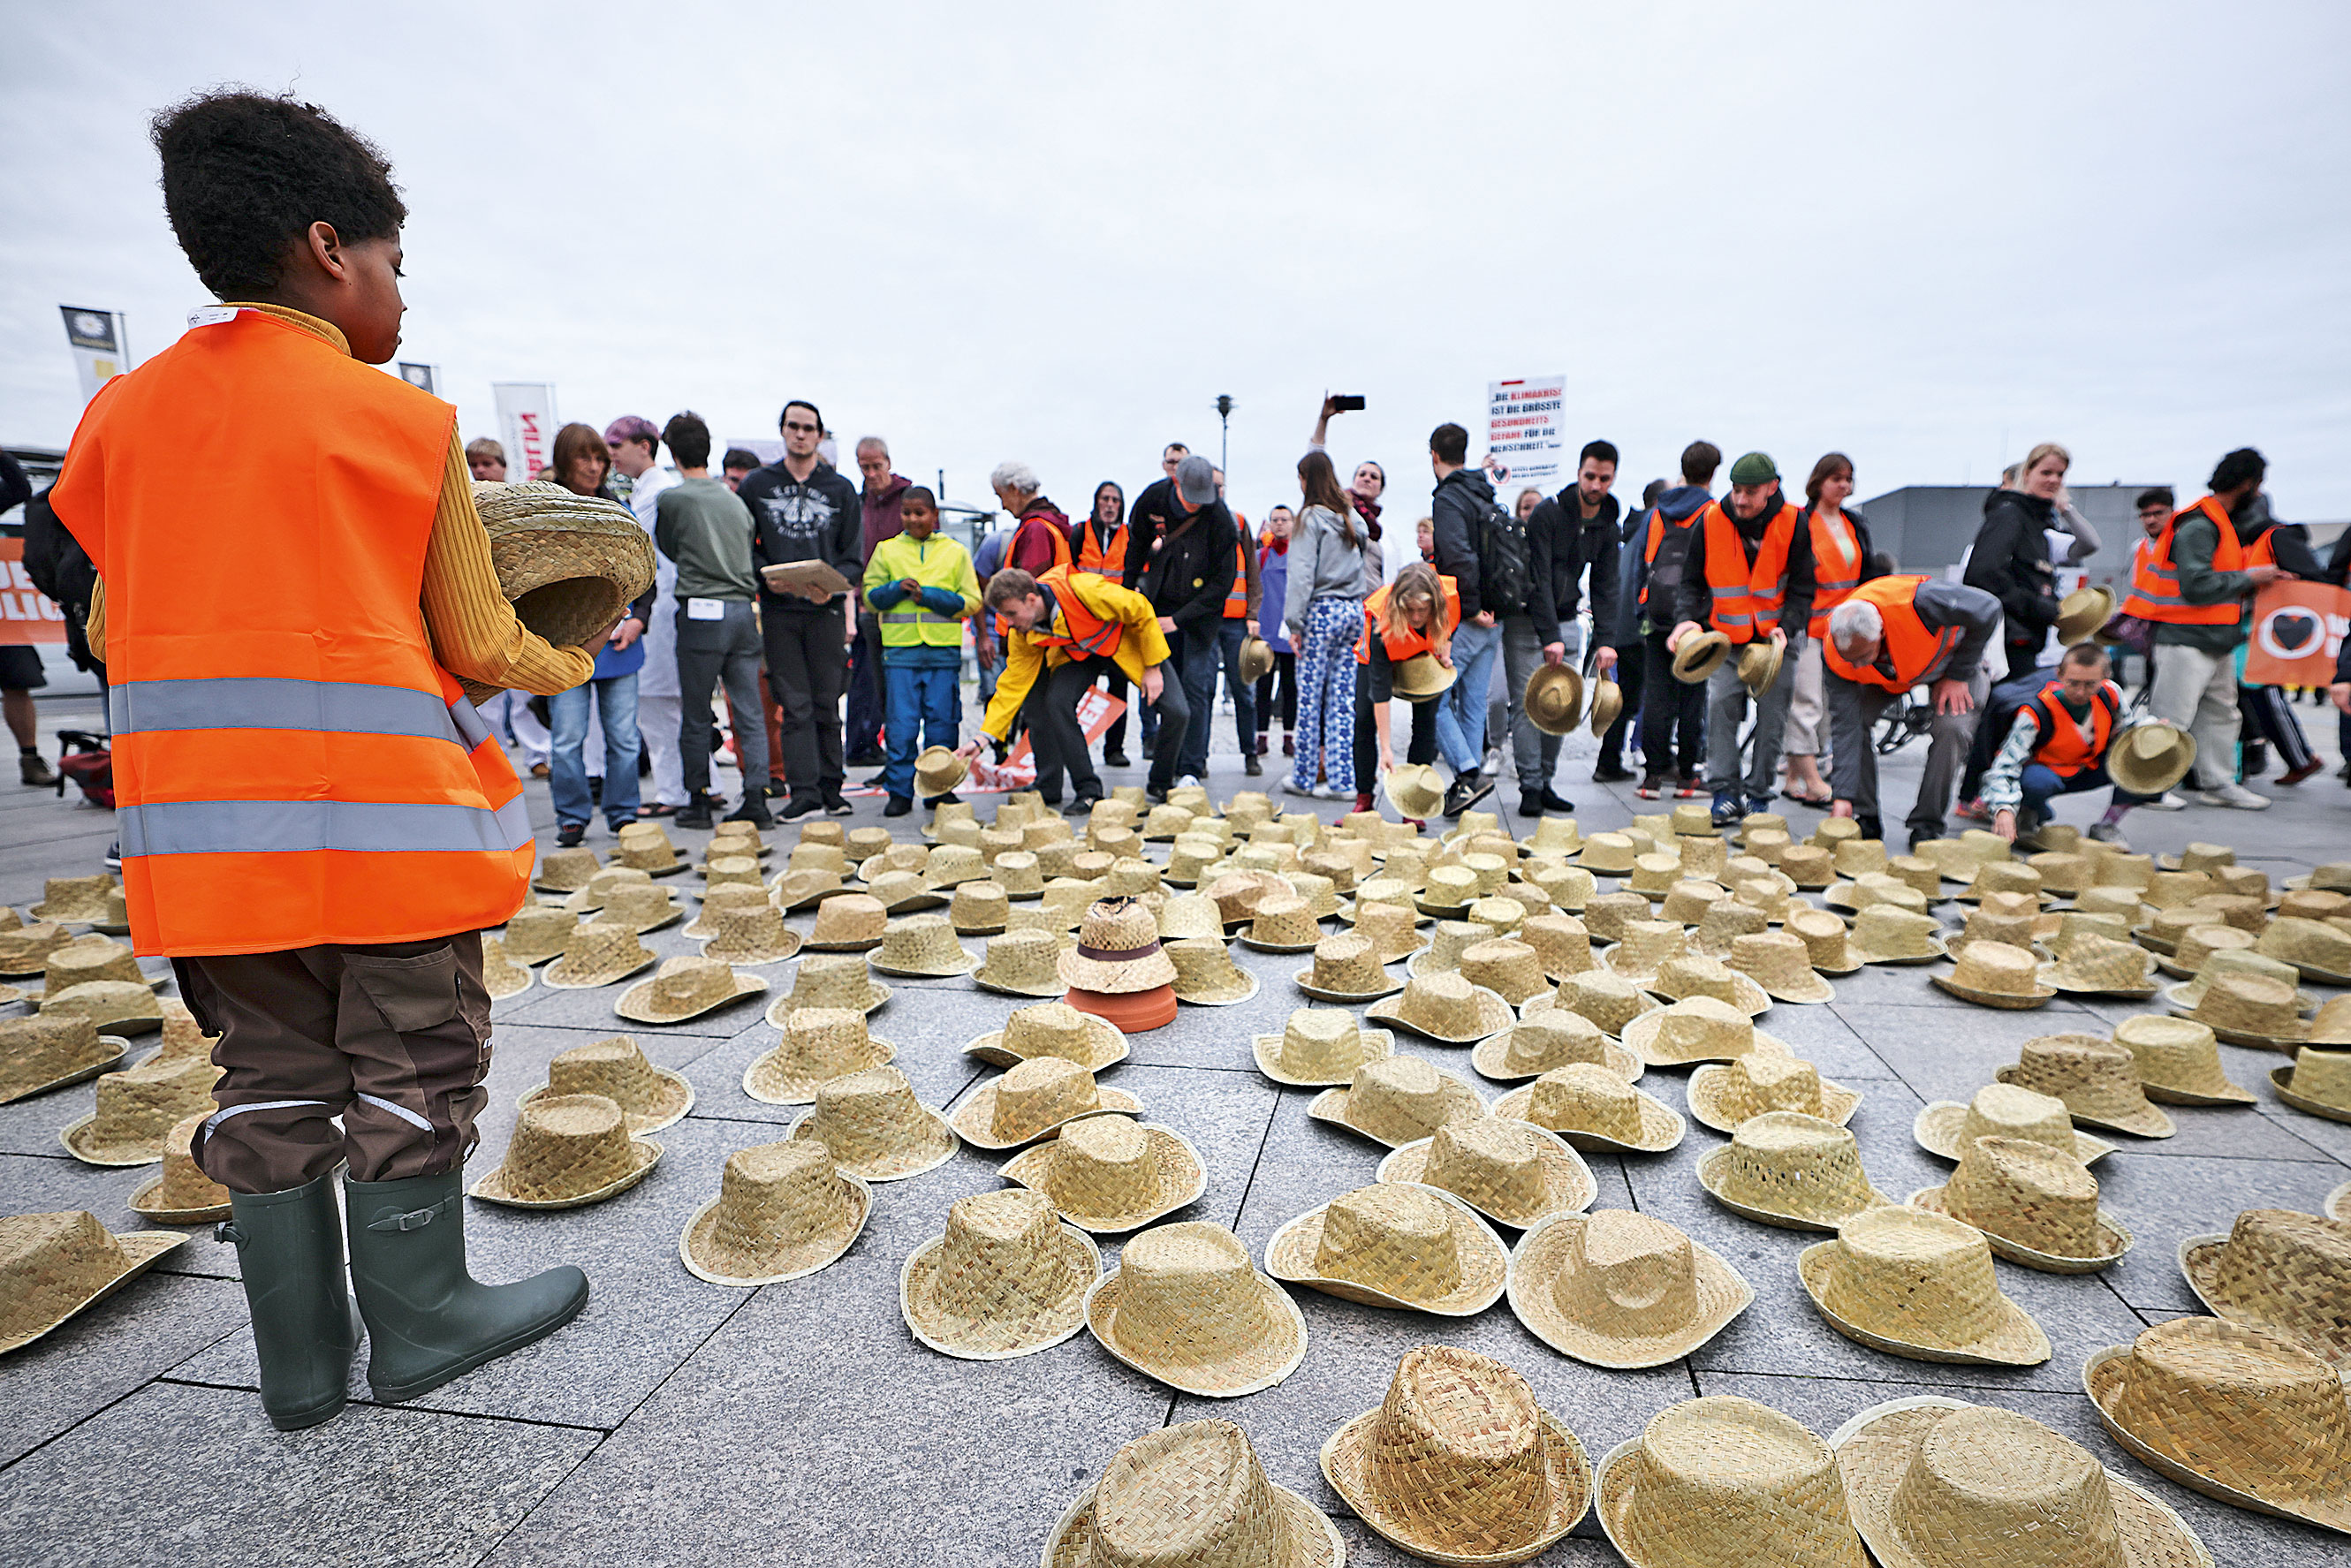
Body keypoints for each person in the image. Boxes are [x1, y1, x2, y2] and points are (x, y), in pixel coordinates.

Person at [55, 89, 595, 1432]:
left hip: (206, 850)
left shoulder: (123, 417)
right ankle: (423, 1317)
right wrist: (574, 654)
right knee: (413, 1061)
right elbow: (477, 638)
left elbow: (113, 625)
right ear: (325, 247)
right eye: (395, 265)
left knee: (271, 1074)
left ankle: (297, 1362)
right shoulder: (399, 426)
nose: (402, 298)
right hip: (385, 835)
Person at [2120, 447, 2287, 811]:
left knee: (2222, 715)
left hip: (2214, 640)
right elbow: (2196, 587)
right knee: (2170, 718)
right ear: (2246, 484)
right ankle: (2149, 786)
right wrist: (2250, 577)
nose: (2259, 494)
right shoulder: (2200, 525)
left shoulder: (2217, 522)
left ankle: (2218, 783)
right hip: (2185, 639)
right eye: (2257, 485)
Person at [964, 564, 1182, 814]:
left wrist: (1153, 668)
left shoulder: (1085, 590)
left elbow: (1140, 608)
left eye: (1011, 613)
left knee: (1177, 711)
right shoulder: (1023, 631)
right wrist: (983, 738)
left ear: (1032, 599)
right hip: (1080, 656)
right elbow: (1012, 684)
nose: (1009, 623)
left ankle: (1160, 782)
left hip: (1127, 645)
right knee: (1056, 703)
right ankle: (1088, 790)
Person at [739, 398, 862, 820]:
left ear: (820, 435)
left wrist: (832, 589)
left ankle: (833, 790)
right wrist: (764, 576)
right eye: (793, 426)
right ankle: (803, 792)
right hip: (778, 611)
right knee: (794, 705)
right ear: (783, 431)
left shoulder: (840, 488)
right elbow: (745, 547)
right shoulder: (758, 484)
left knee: (827, 703)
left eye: (809, 428)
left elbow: (852, 557)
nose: (800, 434)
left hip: (824, 611)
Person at [652, 412, 770, 829]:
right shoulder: (735, 502)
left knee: (698, 710)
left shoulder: (674, 499)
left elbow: (667, 546)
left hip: (702, 611)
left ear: (672, 451)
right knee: (750, 711)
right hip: (742, 612)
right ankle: (757, 795)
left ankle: (698, 798)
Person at [1669, 452, 1800, 827]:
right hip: (1727, 640)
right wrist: (1684, 621)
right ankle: (1725, 793)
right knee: (1721, 708)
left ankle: (1759, 796)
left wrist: (1788, 628)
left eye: (1751, 491)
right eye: (1736, 490)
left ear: (1772, 488)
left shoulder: (1794, 522)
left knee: (1772, 718)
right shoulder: (1711, 520)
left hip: (1777, 641)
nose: (1741, 499)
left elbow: (1804, 585)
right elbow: (1691, 581)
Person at [1821, 574, 2001, 843]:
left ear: (1880, 632)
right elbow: (1845, 726)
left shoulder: (1921, 601)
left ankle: (1927, 824)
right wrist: (1843, 795)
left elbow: (1988, 608)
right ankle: (1865, 815)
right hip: (1891, 675)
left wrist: (1959, 674)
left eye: (1862, 657)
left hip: (1950, 663)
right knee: (1857, 719)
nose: (1856, 667)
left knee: (1953, 730)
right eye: (1851, 659)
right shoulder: (1837, 654)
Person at [541, 423, 650, 845]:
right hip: (564, 643)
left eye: (600, 458)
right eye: (584, 457)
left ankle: (623, 814)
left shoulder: (619, 508)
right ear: (565, 459)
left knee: (624, 738)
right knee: (567, 738)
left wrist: (639, 617)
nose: (594, 466)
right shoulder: (545, 507)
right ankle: (571, 816)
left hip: (618, 640)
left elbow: (646, 574)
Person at [1505, 441, 1623, 818]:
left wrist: (1605, 640)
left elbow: (1606, 586)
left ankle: (1546, 781)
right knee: (1528, 707)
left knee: (1563, 703)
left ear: (1613, 478)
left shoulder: (1607, 524)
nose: (1596, 485)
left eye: (1604, 479)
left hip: (1568, 617)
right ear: (1578, 473)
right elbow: (1538, 576)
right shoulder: (1548, 514)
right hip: (1528, 621)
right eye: (1590, 476)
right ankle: (1529, 787)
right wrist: (1549, 635)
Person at [1126, 454, 1237, 799]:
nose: (1195, 507)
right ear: (1176, 482)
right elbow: (1135, 549)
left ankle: (1190, 767)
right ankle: (1166, 762)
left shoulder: (1219, 518)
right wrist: (1128, 596)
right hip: (1158, 607)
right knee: (1162, 691)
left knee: (1197, 688)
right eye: (1190, 499)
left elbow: (1223, 582)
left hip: (1199, 617)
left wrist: (1180, 619)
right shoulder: (1152, 499)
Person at [864, 487, 978, 816]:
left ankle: (939, 790)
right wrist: (894, 589)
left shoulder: (956, 552)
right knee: (901, 727)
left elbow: (972, 601)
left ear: (934, 515)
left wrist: (927, 596)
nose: (912, 519)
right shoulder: (886, 551)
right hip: (900, 653)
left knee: (944, 725)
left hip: (943, 653)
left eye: (920, 513)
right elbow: (870, 596)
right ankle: (900, 792)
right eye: (906, 513)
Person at [1774, 453, 1877, 807]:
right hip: (1810, 625)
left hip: (1844, 629)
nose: (1844, 486)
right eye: (1837, 478)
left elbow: (1866, 574)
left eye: (1848, 479)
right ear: (1819, 481)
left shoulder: (1854, 524)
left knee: (1830, 703)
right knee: (1807, 702)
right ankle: (1813, 778)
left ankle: (1793, 777)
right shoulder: (1802, 523)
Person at [1982, 642, 2145, 847]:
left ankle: (2106, 825)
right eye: (2073, 683)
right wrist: (2003, 808)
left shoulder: (2111, 694)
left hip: (2087, 768)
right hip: (2044, 774)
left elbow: (2129, 730)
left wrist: (2152, 733)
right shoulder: (2035, 713)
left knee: (2145, 763)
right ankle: (2029, 811)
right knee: (2038, 783)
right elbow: (2004, 765)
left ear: (2105, 679)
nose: (2080, 692)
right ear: (2059, 675)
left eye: (2090, 685)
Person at [1626, 442, 1719, 799]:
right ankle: (1687, 777)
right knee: (1692, 697)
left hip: (1656, 617)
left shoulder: (1657, 512)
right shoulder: (1713, 513)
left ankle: (1651, 777)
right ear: (1712, 474)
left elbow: (1641, 564)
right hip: (1696, 622)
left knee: (1658, 697)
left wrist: (1641, 611)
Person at [1284, 452, 1377, 800]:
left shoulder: (1310, 518)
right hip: (1352, 611)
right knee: (1342, 700)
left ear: (1307, 479)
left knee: (1309, 697)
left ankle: (1305, 777)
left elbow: (1301, 574)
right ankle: (1342, 780)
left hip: (1321, 612)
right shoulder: (1348, 517)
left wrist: (1295, 622)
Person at [458, 437, 550, 776]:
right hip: (483, 610)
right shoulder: (463, 503)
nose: (481, 470)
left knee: (527, 691)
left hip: (522, 609)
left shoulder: (521, 502)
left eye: (488, 464)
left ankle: (537, 755)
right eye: (475, 464)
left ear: (503, 466)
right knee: (489, 696)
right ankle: (491, 762)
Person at [607, 414, 683, 818]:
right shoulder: (647, 491)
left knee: (657, 704)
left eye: (617, 446)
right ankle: (693, 785)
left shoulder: (660, 493)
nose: (611, 455)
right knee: (667, 704)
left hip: (661, 608)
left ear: (645, 445)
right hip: (661, 607)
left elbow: (652, 559)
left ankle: (673, 790)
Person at [1426, 421, 1502, 815]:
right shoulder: (1483, 493)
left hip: (1468, 615)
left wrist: (1470, 609)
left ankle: (1469, 775)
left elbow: (1458, 557)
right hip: (1495, 616)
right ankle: (1470, 791)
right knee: (1473, 705)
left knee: (1432, 700)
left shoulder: (1450, 499)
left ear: (1434, 455)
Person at [2230, 489, 2326, 788]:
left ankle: (2300, 758)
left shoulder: (2275, 536)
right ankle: (2289, 758)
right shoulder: (2248, 540)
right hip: (2249, 630)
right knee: (2251, 696)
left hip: (2267, 631)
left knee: (2263, 694)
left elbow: (2313, 579)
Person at [1354, 563, 1457, 814]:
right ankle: (1364, 795)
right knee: (1363, 717)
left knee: (1425, 722)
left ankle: (1415, 798)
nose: (1417, 616)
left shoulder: (1447, 601)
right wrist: (1386, 748)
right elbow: (1380, 692)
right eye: (1410, 610)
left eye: (1423, 609)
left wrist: (1445, 648)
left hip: (1423, 653)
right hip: (1384, 653)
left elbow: (1451, 626)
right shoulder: (1382, 621)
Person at [1965, 443, 2072, 683]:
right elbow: (1983, 574)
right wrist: (2038, 606)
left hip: (2023, 638)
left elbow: (2027, 576)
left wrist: (2051, 603)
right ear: (2026, 474)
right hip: (2005, 642)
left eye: (2060, 474)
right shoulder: (2010, 514)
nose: (2054, 480)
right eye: (2046, 473)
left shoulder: (2035, 520)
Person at [1594, 478, 1665, 782]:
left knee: (1626, 698)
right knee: (1637, 699)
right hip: (1636, 628)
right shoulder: (1652, 526)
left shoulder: (1634, 527)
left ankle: (1608, 761)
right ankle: (1630, 762)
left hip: (1621, 625)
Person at [846, 436, 909, 769]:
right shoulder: (858, 503)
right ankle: (861, 742)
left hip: (902, 604)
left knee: (896, 681)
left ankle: (894, 744)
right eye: (864, 467)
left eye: (875, 466)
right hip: (866, 603)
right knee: (865, 679)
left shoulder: (908, 500)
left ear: (888, 462)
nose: (870, 473)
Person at [1194, 477, 1262, 780]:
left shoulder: (1238, 522)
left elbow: (1251, 566)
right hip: (1205, 621)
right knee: (1203, 690)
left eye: (1220, 485)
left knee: (1244, 688)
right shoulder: (1193, 522)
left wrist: (1252, 611)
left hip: (1237, 621)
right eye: (1211, 485)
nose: (1216, 490)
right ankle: (1199, 757)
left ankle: (1250, 754)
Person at [1074, 480, 1139, 765]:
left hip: (1117, 624)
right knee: (1078, 684)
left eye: (1115, 500)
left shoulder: (1131, 536)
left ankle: (1114, 749)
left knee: (1118, 686)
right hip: (1085, 623)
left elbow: (1140, 574)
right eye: (1105, 499)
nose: (1110, 505)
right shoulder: (1080, 532)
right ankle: (1076, 747)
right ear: (1096, 502)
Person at [1307, 396, 1392, 572]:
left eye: (1374, 477)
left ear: (1381, 489)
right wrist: (1323, 420)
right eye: (1362, 474)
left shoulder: (1386, 536)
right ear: (1353, 481)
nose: (1367, 478)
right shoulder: (1336, 507)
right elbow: (1314, 465)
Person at [1254, 504, 1297, 763]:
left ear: (1292, 524)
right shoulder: (1261, 556)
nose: (1279, 524)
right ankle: (1261, 737)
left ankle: (1289, 737)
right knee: (1263, 687)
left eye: (1284, 519)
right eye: (1275, 520)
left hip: (1290, 630)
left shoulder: (1301, 556)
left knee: (1291, 687)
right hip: (1265, 630)